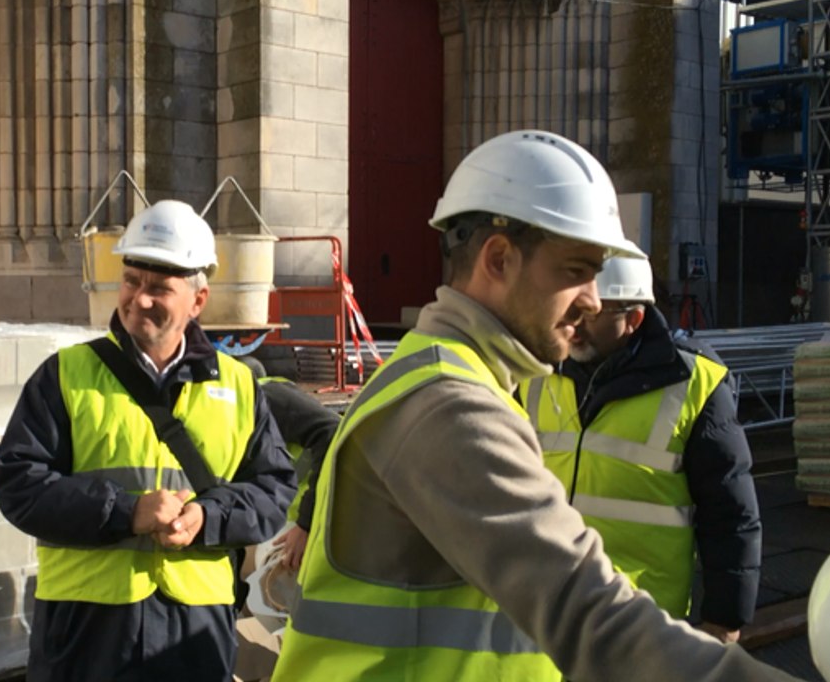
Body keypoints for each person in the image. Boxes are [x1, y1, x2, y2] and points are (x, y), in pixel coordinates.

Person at [272, 130, 798, 681]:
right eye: (577, 271)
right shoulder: (449, 406)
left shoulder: (461, 376)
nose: (593, 300)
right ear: (498, 259)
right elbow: (585, 608)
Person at [0, 199, 296, 682]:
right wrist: (125, 512)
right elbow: (19, 485)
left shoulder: (239, 386)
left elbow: (275, 490)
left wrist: (208, 516)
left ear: (198, 301)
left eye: (159, 288)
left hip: (194, 623)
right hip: (86, 620)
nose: (140, 298)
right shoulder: (64, 375)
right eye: (131, 281)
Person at [520, 256, 761, 644]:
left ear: (633, 320)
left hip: (641, 619)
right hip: (543, 607)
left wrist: (724, 618)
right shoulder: (535, 374)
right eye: (571, 307)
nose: (575, 324)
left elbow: (730, 513)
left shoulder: (694, 385)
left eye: (592, 312)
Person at [242, 355, 341, 572]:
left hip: (298, 529)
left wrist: (307, 523)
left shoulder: (265, 396)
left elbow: (334, 433)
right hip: (280, 528)